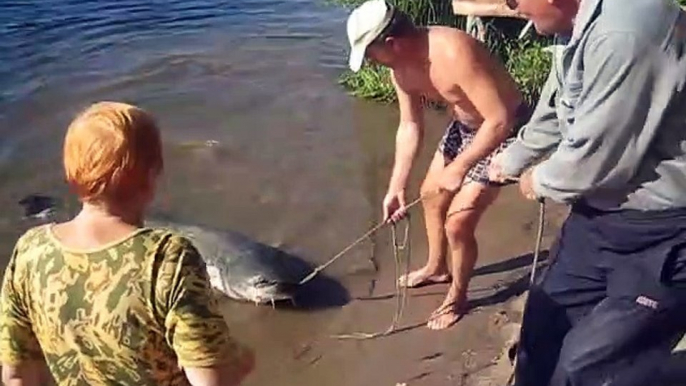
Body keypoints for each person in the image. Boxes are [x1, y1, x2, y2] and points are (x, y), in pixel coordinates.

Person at [490, 0, 686, 385]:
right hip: (598, 221)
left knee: (589, 369)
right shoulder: (579, 27)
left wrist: (539, 179)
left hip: (665, 233)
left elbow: (596, 161)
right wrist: (511, 160)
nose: (511, 8)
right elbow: (559, 106)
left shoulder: (623, 33)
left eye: (514, 0)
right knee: (540, 335)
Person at [0, 101, 255, 386]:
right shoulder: (167, 258)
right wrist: (237, 362)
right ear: (150, 176)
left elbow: (16, 375)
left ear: (71, 173)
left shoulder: (29, 251)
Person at [346, 0, 532, 330]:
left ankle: (458, 297)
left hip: (506, 128)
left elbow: (499, 120)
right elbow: (410, 126)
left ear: (392, 44)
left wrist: (460, 167)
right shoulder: (399, 68)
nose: (372, 63)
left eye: (372, 54)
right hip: (465, 127)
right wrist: (395, 187)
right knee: (430, 195)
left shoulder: (454, 53)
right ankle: (437, 267)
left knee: (458, 222)